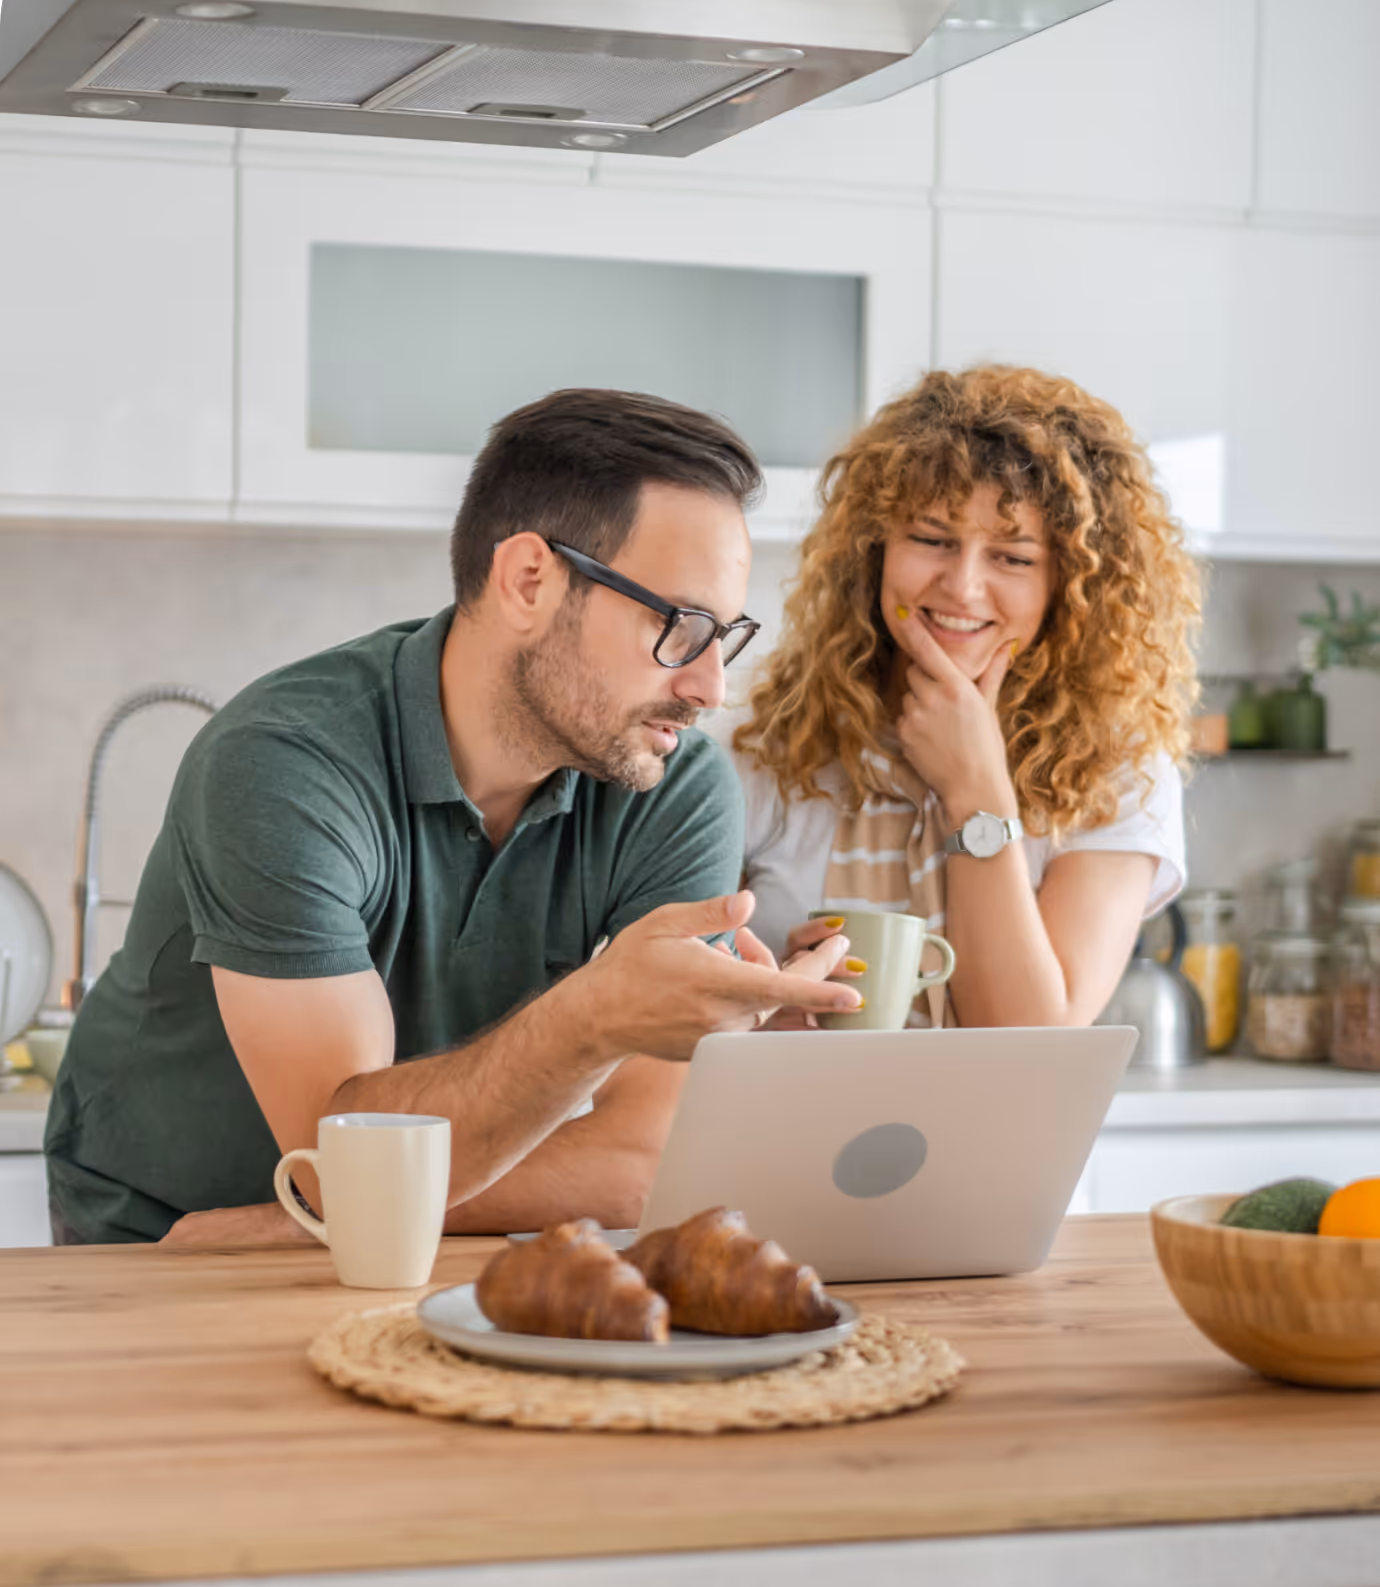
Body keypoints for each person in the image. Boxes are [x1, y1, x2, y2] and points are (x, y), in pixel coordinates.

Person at [45, 389, 862, 1247]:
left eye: (723, 635)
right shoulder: (283, 762)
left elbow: (638, 1163)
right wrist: (593, 1016)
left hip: (300, 1233)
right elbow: (338, 1159)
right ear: (528, 581)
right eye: (678, 625)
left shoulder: (672, 780)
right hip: (159, 1243)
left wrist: (283, 1225)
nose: (708, 687)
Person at [729, 364, 1199, 1030]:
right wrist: (769, 1010)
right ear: (873, 550)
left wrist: (977, 791)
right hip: (783, 1132)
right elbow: (670, 1020)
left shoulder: (1120, 771)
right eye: (931, 540)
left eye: (1013, 557)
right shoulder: (759, 743)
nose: (963, 588)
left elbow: (1032, 1043)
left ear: (1069, 585)